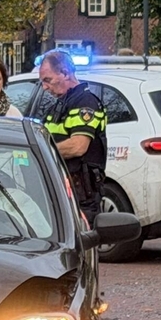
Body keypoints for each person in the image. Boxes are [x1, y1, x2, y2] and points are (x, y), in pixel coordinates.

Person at [38, 50, 107, 225]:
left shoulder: (85, 102)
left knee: (82, 239)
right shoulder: (60, 105)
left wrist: (40, 152)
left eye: (48, 80)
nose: (44, 87)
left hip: (81, 194)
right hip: (62, 190)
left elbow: (78, 146)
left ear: (65, 73)